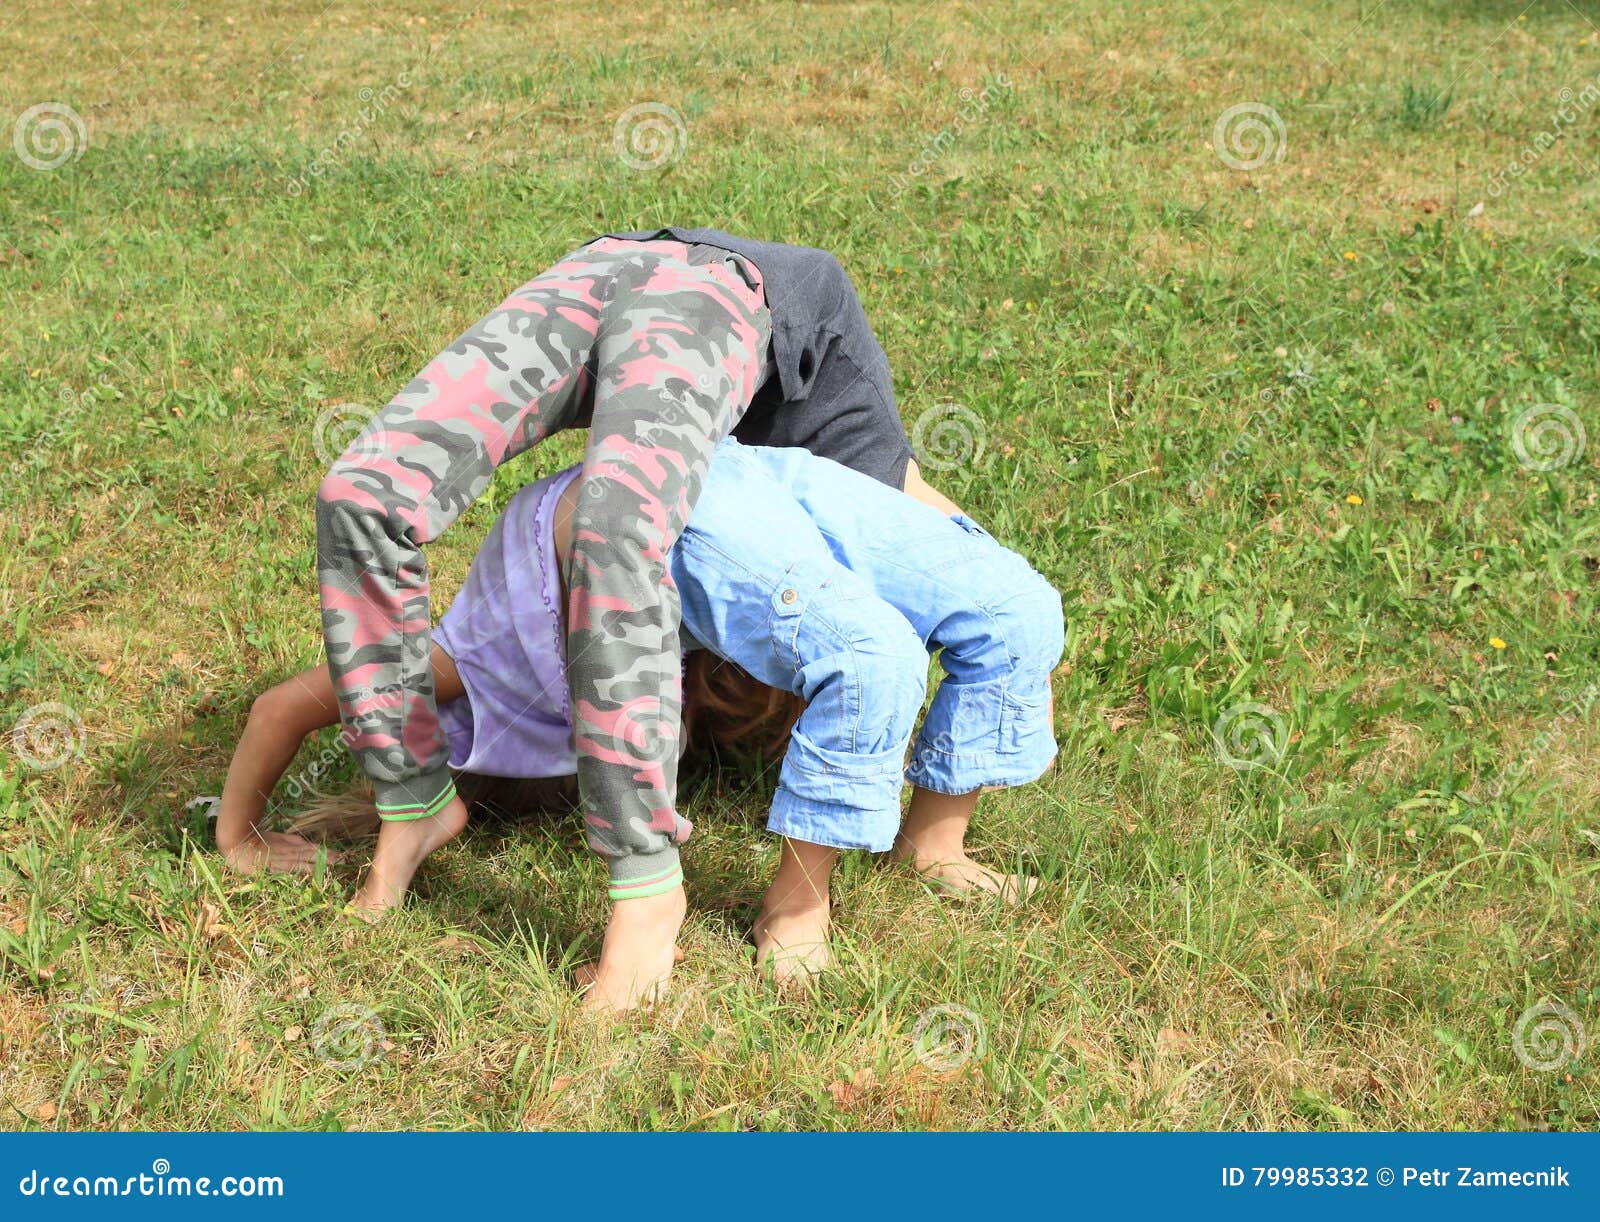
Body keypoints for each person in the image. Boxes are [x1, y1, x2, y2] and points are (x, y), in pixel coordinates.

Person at [316, 228, 951, 1010]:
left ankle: (645, 889)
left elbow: (932, 552)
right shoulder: (846, 420)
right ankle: (412, 801)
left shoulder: (823, 439)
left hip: (660, 277)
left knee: (612, 525)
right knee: (361, 495)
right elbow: (927, 531)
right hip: (655, 273)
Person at [234, 439, 1062, 1001]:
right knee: (1015, 609)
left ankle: (869, 873)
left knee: (875, 650)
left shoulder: (460, 667)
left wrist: (237, 834)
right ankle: (858, 877)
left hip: (646, 501)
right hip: (731, 480)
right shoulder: (621, 697)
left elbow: (283, 704)